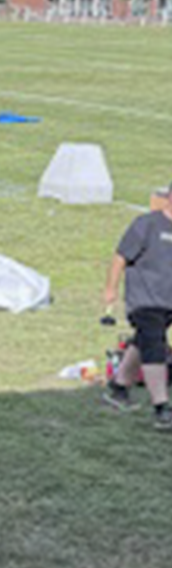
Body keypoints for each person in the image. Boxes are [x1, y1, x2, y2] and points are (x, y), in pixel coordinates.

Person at [101, 180, 172, 430]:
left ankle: (118, 388)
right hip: (144, 300)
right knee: (154, 345)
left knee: (144, 341)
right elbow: (121, 257)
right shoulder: (147, 225)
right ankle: (162, 408)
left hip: (167, 302)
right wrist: (110, 289)